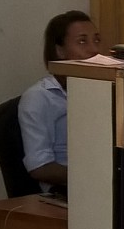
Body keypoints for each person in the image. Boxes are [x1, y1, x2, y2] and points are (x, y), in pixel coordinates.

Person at [20, 10, 100, 190]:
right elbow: (39, 167)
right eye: (82, 41)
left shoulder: (100, 91)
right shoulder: (39, 97)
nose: (94, 50)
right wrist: (92, 177)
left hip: (102, 182)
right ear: (60, 51)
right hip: (67, 188)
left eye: (96, 40)